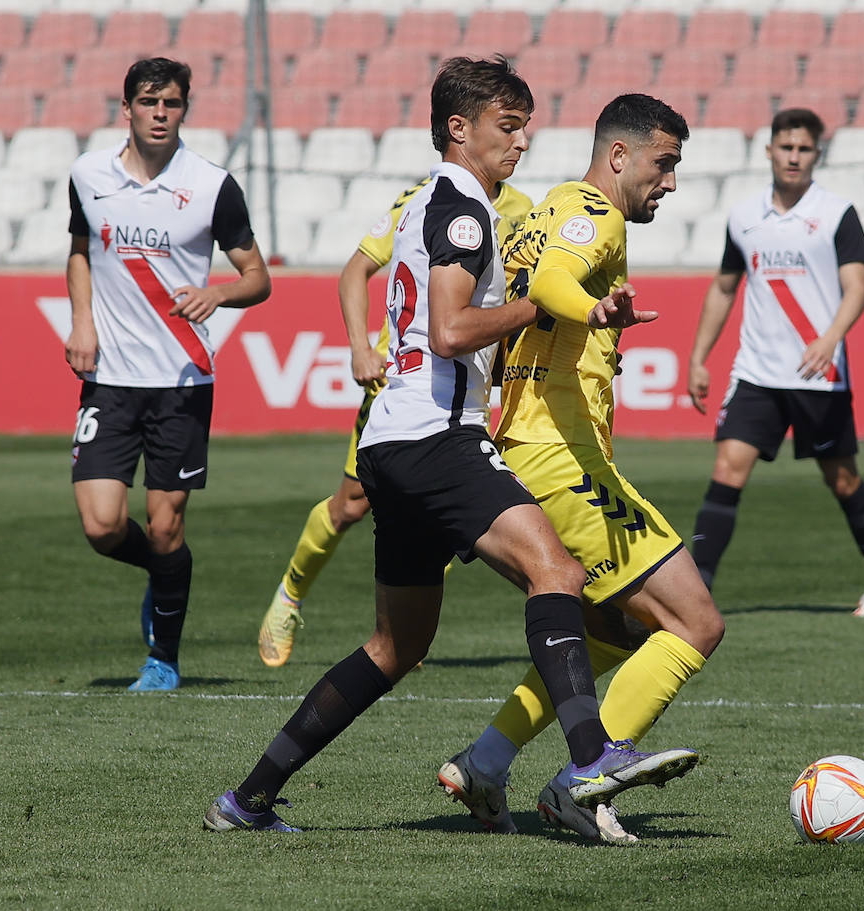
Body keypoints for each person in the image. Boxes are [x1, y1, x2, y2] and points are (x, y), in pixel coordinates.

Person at [204, 57, 697, 834]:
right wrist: (541, 306)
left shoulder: (422, 205)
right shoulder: (464, 208)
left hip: (391, 443)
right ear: (459, 129)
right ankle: (591, 755)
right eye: (509, 126)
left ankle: (248, 798)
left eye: (526, 126)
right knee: (556, 569)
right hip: (438, 435)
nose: (523, 142)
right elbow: (450, 329)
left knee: (393, 647)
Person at [436, 93, 724, 844]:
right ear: (620, 155)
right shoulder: (595, 213)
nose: (670, 182)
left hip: (526, 448)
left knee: (606, 632)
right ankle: (583, 779)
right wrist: (590, 311)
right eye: (664, 164)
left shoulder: (546, 206)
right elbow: (556, 280)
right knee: (693, 620)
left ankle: (487, 760)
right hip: (563, 461)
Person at [256, 177, 533, 667]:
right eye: (508, 127)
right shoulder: (424, 200)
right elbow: (355, 271)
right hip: (404, 383)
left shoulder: (521, 210)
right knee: (348, 507)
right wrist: (362, 348)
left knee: (454, 504)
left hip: (470, 392)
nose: (518, 143)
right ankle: (290, 594)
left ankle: (403, 627)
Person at [65, 57, 271, 691]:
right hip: (111, 379)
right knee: (101, 526)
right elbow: (79, 250)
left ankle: (163, 660)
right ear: (125, 108)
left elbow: (258, 278)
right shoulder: (87, 174)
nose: (160, 113)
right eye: (149, 102)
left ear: (185, 109)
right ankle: (165, 571)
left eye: (172, 103)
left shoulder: (211, 186)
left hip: (182, 382)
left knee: (165, 523)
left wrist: (220, 294)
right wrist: (81, 323)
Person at [686, 108, 864, 618]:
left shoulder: (836, 213)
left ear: (816, 155)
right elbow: (723, 288)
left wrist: (831, 338)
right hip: (757, 372)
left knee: (843, 479)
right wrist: (698, 358)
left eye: (804, 149)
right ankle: (695, 593)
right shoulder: (743, 216)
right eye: (786, 147)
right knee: (727, 469)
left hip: (817, 375)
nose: (793, 157)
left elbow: (857, 287)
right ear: (769, 151)